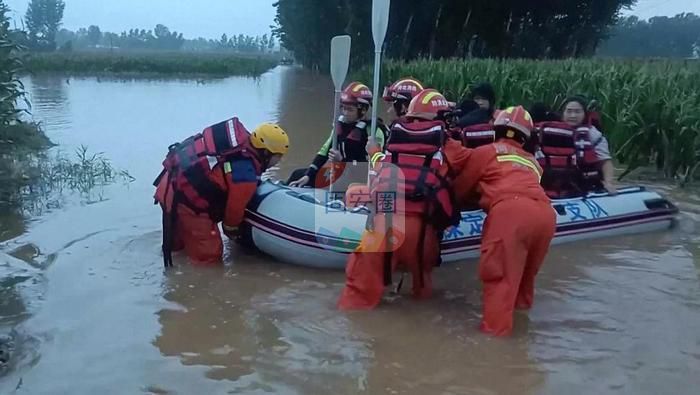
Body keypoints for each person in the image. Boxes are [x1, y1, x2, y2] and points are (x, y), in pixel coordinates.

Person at [338, 89, 458, 310]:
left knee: (355, 300)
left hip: (383, 225)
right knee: (422, 298)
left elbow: (380, 172)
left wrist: (373, 152)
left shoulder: (394, 143)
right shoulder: (451, 149)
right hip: (421, 233)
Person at [442, 106, 556, 336]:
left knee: (500, 282)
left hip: (511, 212)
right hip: (546, 215)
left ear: (496, 130)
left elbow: (462, 188)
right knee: (524, 282)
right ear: (525, 138)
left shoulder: (487, 152)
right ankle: (522, 331)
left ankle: (496, 348)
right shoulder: (533, 162)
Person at [153, 118, 289, 267]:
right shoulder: (246, 173)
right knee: (209, 258)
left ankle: (175, 276)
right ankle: (199, 284)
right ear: (265, 152)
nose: (278, 162)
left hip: (170, 185)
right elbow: (233, 213)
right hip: (189, 204)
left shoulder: (238, 146)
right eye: (278, 156)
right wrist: (233, 231)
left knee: (177, 248)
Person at [288, 82, 387, 188]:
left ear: (363, 110)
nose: (345, 113)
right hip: (341, 172)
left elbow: (374, 166)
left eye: (350, 110)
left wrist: (342, 161)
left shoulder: (374, 131)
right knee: (297, 174)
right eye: (343, 108)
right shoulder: (340, 125)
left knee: (337, 185)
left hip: (361, 178)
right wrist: (309, 175)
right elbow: (324, 151)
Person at [560, 96, 616, 194]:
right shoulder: (550, 133)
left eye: (577, 112)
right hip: (559, 183)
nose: (572, 115)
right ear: (562, 113)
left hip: (586, 183)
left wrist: (608, 183)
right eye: (569, 111)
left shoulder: (593, 134)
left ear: (585, 114)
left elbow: (605, 161)